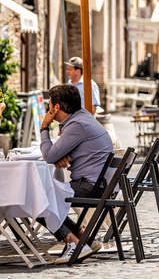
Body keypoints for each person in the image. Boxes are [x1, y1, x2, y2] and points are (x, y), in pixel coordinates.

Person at [38, 84, 114, 263]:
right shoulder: (83, 117)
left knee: (38, 196)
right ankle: (84, 238)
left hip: (92, 186)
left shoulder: (77, 125)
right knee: (46, 194)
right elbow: (57, 153)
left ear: (56, 107)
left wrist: (44, 127)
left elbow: (49, 155)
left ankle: (72, 243)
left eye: (50, 104)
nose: (48, 108)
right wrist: (59, 154)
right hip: (100, 183)